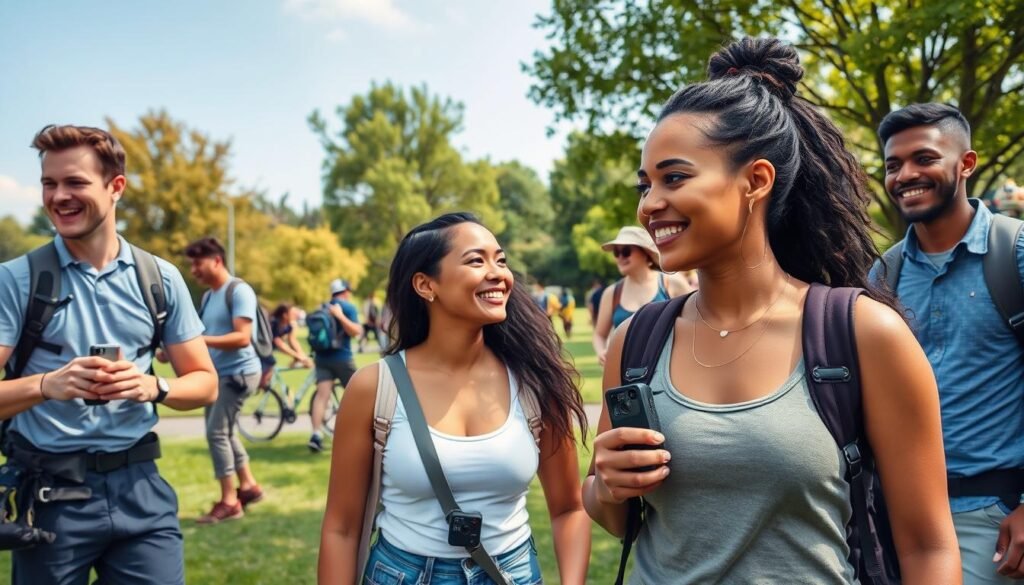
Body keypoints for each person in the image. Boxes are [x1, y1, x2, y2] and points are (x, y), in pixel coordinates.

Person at [584, 37, 959, 583]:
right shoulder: (636, 342)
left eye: (675, 177)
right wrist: (608, 485)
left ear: (756, 180)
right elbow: (616, 518)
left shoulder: (863, 334)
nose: (649, 204)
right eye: (646, 185)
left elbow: (928, 548)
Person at [319, 212, 591, 584]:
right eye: (477, 260)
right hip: (402, 574)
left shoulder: (535, 382)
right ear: (426, 285)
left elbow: (569, 509)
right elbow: (342, 528)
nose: (498, 273)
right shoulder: (374, 387)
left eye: (501, 259)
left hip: (512, 575)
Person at [0, 124, 218, 584]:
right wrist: (46, 385)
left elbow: (204, 382)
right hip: (51, 498)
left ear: (115, 186)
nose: (59, 196)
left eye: (75, 182)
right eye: (49, 183)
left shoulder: (159, 278)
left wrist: (152, 386)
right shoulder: (15, 280)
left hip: (141, 490)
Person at [874, 103, 1024, 584]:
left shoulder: (1015, 252)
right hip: (898, 522)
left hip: (995, 521)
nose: (905, 175)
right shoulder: (883, 275)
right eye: (893, 165)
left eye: (924, 158)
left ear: (966, 164)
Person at [185, 236, 266, 523]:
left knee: (216, 433)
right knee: (224, 432)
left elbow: (242, 338)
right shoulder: (209, 296)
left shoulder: (239, 290)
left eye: (197, 263)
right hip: (219, 376)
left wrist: (198, 341)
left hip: (239, 374)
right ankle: (249, 486)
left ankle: (230, 501)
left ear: (216, 260)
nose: (193, 270)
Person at [592, 226, 692, 365]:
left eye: (626, 251)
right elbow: (599, 335)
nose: (620, 257)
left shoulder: (672, 283)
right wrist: (601, 351)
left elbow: (698, 322)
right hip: (624, 374)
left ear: (646, 253)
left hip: (669, 373)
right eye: (616, 252)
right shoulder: (612, 293)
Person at [308, 278, 362, 453]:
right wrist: (340, 316)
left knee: (321, 396)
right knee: (360, 394)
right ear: (346, 291)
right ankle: (358, 435)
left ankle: (316, 434)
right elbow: (356, 331)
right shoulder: (347, 307)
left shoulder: (323, 307)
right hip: (342, 358)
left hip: (322, 359)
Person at [259, 302, 313, 389]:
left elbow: (292, 340)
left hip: (269, 351)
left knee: (270, 372)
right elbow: (278, 343)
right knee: (268, 369)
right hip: (261, 350)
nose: (296, 316)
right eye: (293, 314)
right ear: (285, 315)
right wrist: (297, 355)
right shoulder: (274, 323)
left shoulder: (289, 325)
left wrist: (302, 355)